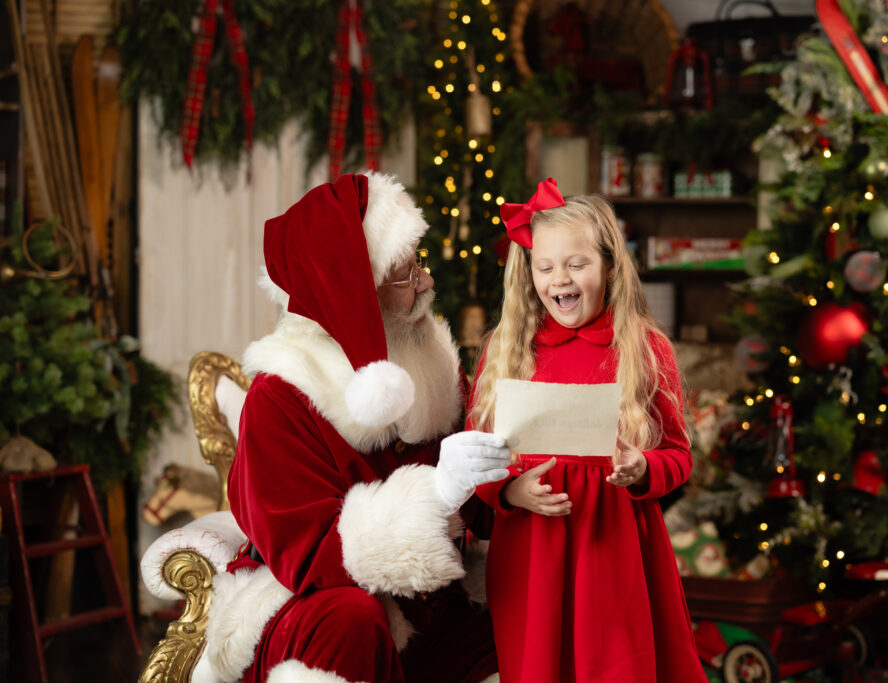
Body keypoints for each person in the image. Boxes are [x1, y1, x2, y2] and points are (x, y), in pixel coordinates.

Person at [194, 172, 511, 683]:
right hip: (313, 607)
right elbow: (311, 558)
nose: (427, 283)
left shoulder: (430, 363)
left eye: (419, 266)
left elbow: (482, 504)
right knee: (353, 618)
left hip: (433, 606)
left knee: (536, 618)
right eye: (407, 275)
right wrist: (436, 496)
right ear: (352, 293)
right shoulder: (282, 397)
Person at [468, 178, 706, 682]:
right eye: (545, 267)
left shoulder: (644, 349)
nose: (561, 279)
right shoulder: (506, 350)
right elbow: (475, 456)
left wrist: (642, 466)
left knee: (614, 667)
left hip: (613, 549)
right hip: (531, 554)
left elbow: (679, 457)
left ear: (609, 268)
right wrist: (508, 490)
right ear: (527, 272)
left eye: (577, 265)